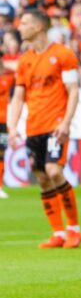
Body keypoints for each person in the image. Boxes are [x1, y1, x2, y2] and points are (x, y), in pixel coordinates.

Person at [6, 9, 81, 247]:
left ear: (39, 27)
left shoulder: (62, 54)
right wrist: (12, 126)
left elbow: (73, 91)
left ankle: (74, 229)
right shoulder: (24, 61)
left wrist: (66, 122)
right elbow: (18, 98)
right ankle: (58, 233)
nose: (20, 27)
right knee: (41, 177)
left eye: (25, 23)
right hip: (33, 127)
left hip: (55, 125)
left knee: (54, 171)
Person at [0, 61, 15, 199]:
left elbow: (21, 71)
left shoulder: (6, 79)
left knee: (1, 154)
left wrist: (6, 65)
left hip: (2, 123)